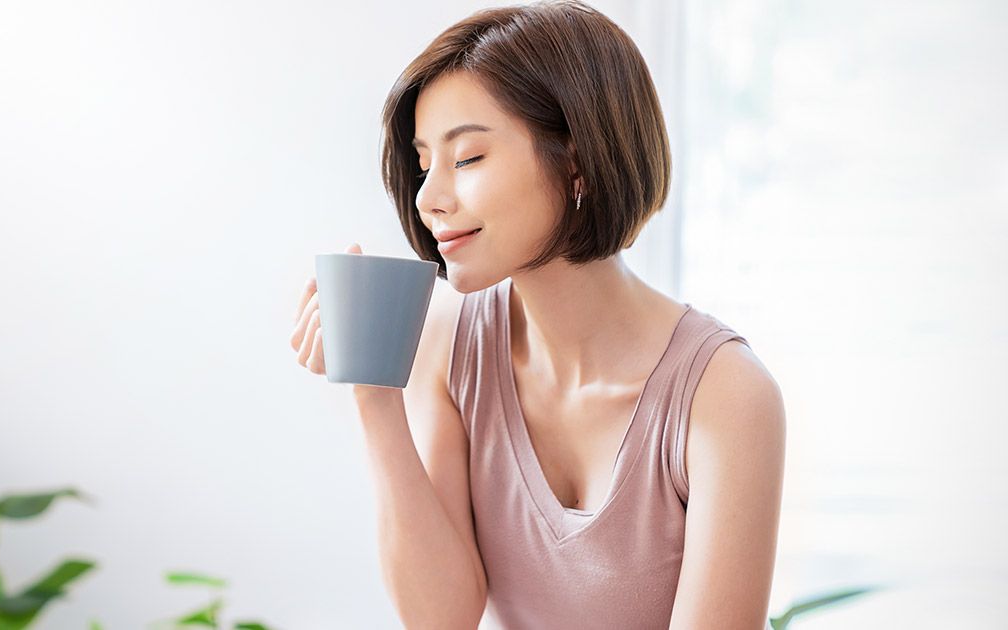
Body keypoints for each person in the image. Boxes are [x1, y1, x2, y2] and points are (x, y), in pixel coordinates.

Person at [290, 1, 785, 627]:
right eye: (422, 165)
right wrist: (374, 394)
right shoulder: (449, 342)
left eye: (466, 158)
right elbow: (442, 618)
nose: (428, 198)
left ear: (576, 159)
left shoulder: (727, 395)